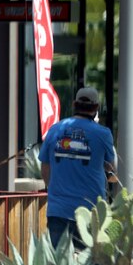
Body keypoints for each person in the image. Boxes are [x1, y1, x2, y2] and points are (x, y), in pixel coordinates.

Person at [39, 87, 117, 248]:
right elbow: (113, 168)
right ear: (96, 108)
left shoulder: (55, 130)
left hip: (58, 210)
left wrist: (53, 188)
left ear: (75, 104)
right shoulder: (103, 134)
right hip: (91, 213)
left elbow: (45, 168)